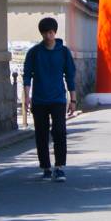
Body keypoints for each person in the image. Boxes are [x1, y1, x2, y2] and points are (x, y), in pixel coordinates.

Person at [23, 17, 76, 182]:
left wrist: (73, 100)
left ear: (55, 32)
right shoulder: (34, 52)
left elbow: (70, 76)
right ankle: (46, 167)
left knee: (59, 132)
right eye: (45, 33)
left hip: (58, 99)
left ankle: (59, 167)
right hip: (39, 99)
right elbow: (26, 76)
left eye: (51, 32)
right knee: (41, 134)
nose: (48, 36)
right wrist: (26, 97)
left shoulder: (64, 52)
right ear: (42, 33)